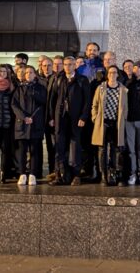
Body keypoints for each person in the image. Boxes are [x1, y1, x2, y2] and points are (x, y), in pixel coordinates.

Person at [48, 56, 91, 186]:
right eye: (65, 64)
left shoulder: (82, 80)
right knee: (59, 147)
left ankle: (76, 175)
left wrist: (83, 117)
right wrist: (51, 117)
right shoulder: (58, 79)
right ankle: (59, 175)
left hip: (76, 119)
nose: (67, 67)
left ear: (75, 66)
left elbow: (87, 100)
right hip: (60, 118)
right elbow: (52, 100)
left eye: (70, 64)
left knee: (75, 147)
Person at [91, 65, 128, 186]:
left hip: (116, 123)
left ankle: (115, 175)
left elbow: (125, 107)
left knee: (116, 150)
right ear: (107, 74)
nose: (112, 75)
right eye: (110, 72)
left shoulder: (123, 89)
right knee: (102, 150)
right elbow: (95, 105)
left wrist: (124, 119)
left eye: (114, 72)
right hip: (103, 123)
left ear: (118, 74)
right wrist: (95, 118)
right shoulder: (101, 88)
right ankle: (103, 176)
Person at [12, 65, 47, 186]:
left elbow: (43, 103)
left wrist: (32, 117)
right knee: (22, 151)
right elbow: (14, 105)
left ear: (35, 74)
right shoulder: (19, 89)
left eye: (31, 72)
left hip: (35, 123)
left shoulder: (41, 88)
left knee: (34, 150)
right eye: (26, 73)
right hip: (22, 124)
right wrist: (24, 117)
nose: (28, 74)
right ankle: (22, 174)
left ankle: (33, 174)